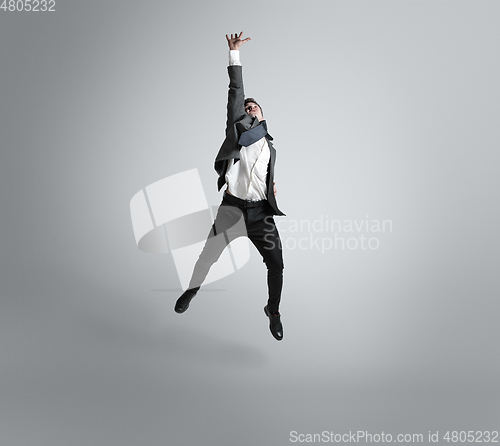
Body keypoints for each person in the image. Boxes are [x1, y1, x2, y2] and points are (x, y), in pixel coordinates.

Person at [174, 32, 285, 341]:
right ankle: (191, 290)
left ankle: (273, 311)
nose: (249, 107)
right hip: (233, 207)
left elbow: (262, 173)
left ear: (263, 116)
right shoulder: (239, 130)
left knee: (277, 264)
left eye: (254, 107)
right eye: (246, 106)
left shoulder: (270, 147)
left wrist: (271, 187)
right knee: (208, 255)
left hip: (261, 213)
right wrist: (234, 54)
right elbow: (237, 92)